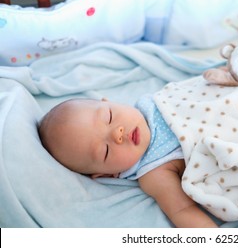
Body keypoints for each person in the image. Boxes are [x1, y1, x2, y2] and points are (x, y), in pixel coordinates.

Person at [38, 95, 218, 228]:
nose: (117, 133)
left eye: (108, 117)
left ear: (108, 101)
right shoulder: (154, 172)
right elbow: (182, 210)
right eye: (106, 151)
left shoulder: (157, 101)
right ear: (108, 173)